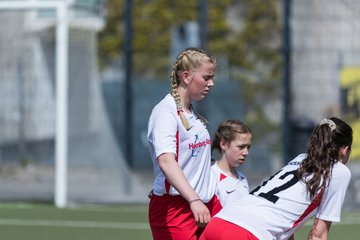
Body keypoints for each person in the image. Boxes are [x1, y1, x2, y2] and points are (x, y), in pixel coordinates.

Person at [200, 117, 353, 240]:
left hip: (219, 222)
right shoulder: (339, 172)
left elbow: (284, 222)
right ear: (345, 150)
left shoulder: (300, 159)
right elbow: (317, 235)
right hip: (249, 233)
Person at [147, 47, 222, 240]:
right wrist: (194, 199)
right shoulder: (165, 112)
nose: (211, 83)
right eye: (206, 77)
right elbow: (166, 161)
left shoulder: (191, 113)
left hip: (208, 203)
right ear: (186, 76)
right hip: (175, 208)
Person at [211, 119, 251, 206]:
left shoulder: (242, 178)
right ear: (223, 144)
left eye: (248, 147)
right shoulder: (211, 177)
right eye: (241, 147)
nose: (246, 152)